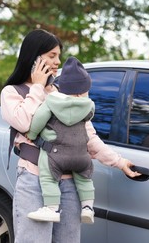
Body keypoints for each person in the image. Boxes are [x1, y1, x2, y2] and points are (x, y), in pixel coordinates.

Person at [0, 28, 140, 243]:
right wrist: (37, 86)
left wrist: (119, 162)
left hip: (70, 183)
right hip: (34, 180)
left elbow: (86, 137)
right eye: (51, 55)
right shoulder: (12, 92)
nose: (58, 62)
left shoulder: (62, 92)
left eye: (59, 55)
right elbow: (24, 122)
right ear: (34, 57)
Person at [27, 56, 96, 224]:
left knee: (48, 177)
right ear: (82, 91)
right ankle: (87, 207)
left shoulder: (51, 102)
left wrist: (32, 135)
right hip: (81, 155)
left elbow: (38, 121)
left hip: (56, 155)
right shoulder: (89, 106)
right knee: (85, 179)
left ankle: (52, 208)